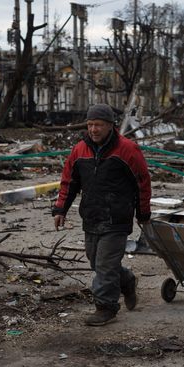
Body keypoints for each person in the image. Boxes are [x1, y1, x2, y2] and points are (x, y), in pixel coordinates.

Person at [53, 104, 152, 326]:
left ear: (110, 126)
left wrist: (143, 213)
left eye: (98, 125)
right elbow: (69, 182)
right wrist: (61, 209)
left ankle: (106, 307)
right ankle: (126, 281)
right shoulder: (80, 150)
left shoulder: (127, 150)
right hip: (92, 216)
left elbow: (142, 183)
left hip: (117, 218)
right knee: (96, 262)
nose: (93, 129)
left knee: (105, 265)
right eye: (90, 125)